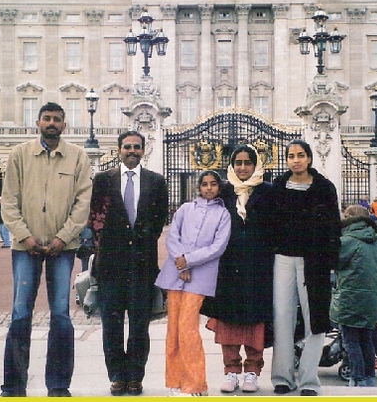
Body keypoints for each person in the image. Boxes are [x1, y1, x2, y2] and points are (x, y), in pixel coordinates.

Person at [0, 101, 92, 397]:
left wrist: (62, 238)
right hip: (25, 247)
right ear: (37, 122)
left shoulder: (77, 157)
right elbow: (9, 201)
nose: (51, 123)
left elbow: (82, 204)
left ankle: (58, 385)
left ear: (65, 125)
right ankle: (14, 386)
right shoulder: (19, 155)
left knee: (61, 315)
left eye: (57, 120)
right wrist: (25, 236)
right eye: (47, 118)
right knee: (20, 314)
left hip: (62, 248)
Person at [89, 131, 168, 396]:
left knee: (138, 326)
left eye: (136, 147)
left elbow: (158, 220)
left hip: (142, 265)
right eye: (127, 147)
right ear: (119, 149)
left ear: (143, 150)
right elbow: (96, 220)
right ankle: (116, 376)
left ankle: (135, 376)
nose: (132, 151)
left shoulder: (156, 181)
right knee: (111, 326)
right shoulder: (103, 179)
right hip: (110, 264)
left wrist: (141, 241)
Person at [200, 144, 275, 394]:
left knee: (256, 322)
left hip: (258, 266)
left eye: (248, 162)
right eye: (238, 163)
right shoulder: (223, 191)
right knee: (229, 322)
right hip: (228, 267)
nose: (243, 167)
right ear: (232, 166)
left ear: (256, 165)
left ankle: (252, 371)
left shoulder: (268, 192)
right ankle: (231, 371)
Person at [269, 139, 341, 397]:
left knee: (315, 320)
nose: (296, 160)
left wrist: (331, 263)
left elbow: (334, 227)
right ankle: (282, 377)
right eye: (291, 156)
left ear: (309, 158)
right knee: (282, 318)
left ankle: (309, 380)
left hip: (316, 261)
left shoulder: (324, 188)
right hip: (283, 259)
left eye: (300, 155)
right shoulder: (277, 186)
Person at [155, 170, 231, 397]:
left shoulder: (223, 214)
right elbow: (172, 236)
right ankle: (175, 382)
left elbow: (218, 247)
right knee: (173, 330)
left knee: (188, 330)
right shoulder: (185, 209)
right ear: (198, 187)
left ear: (219, 187)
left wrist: (187, 261)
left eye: (213, 184)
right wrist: (181, 263)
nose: (209, 188)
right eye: (205, 184)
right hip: (175, 275)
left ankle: (196, 384)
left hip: (200, 277)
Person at [329, 205, 377, 387]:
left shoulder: (348, 240)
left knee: (350, 341)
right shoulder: (376, 242)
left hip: (349, 297)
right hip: (370, 299)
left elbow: (334, 261)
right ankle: (369, 377)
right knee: (366, 340)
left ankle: (357, 378)